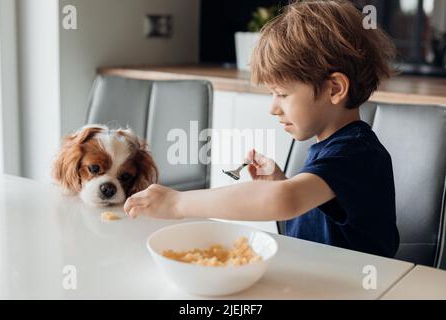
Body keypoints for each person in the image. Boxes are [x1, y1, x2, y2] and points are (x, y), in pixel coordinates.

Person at [124, 0, 400, 258]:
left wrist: (177, 203)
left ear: (335, 88)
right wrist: (280, 182)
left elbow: (287, 199)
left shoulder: (358, 153)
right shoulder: (329, 146)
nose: (273, 108)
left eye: (281, 93)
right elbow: (309, 216)